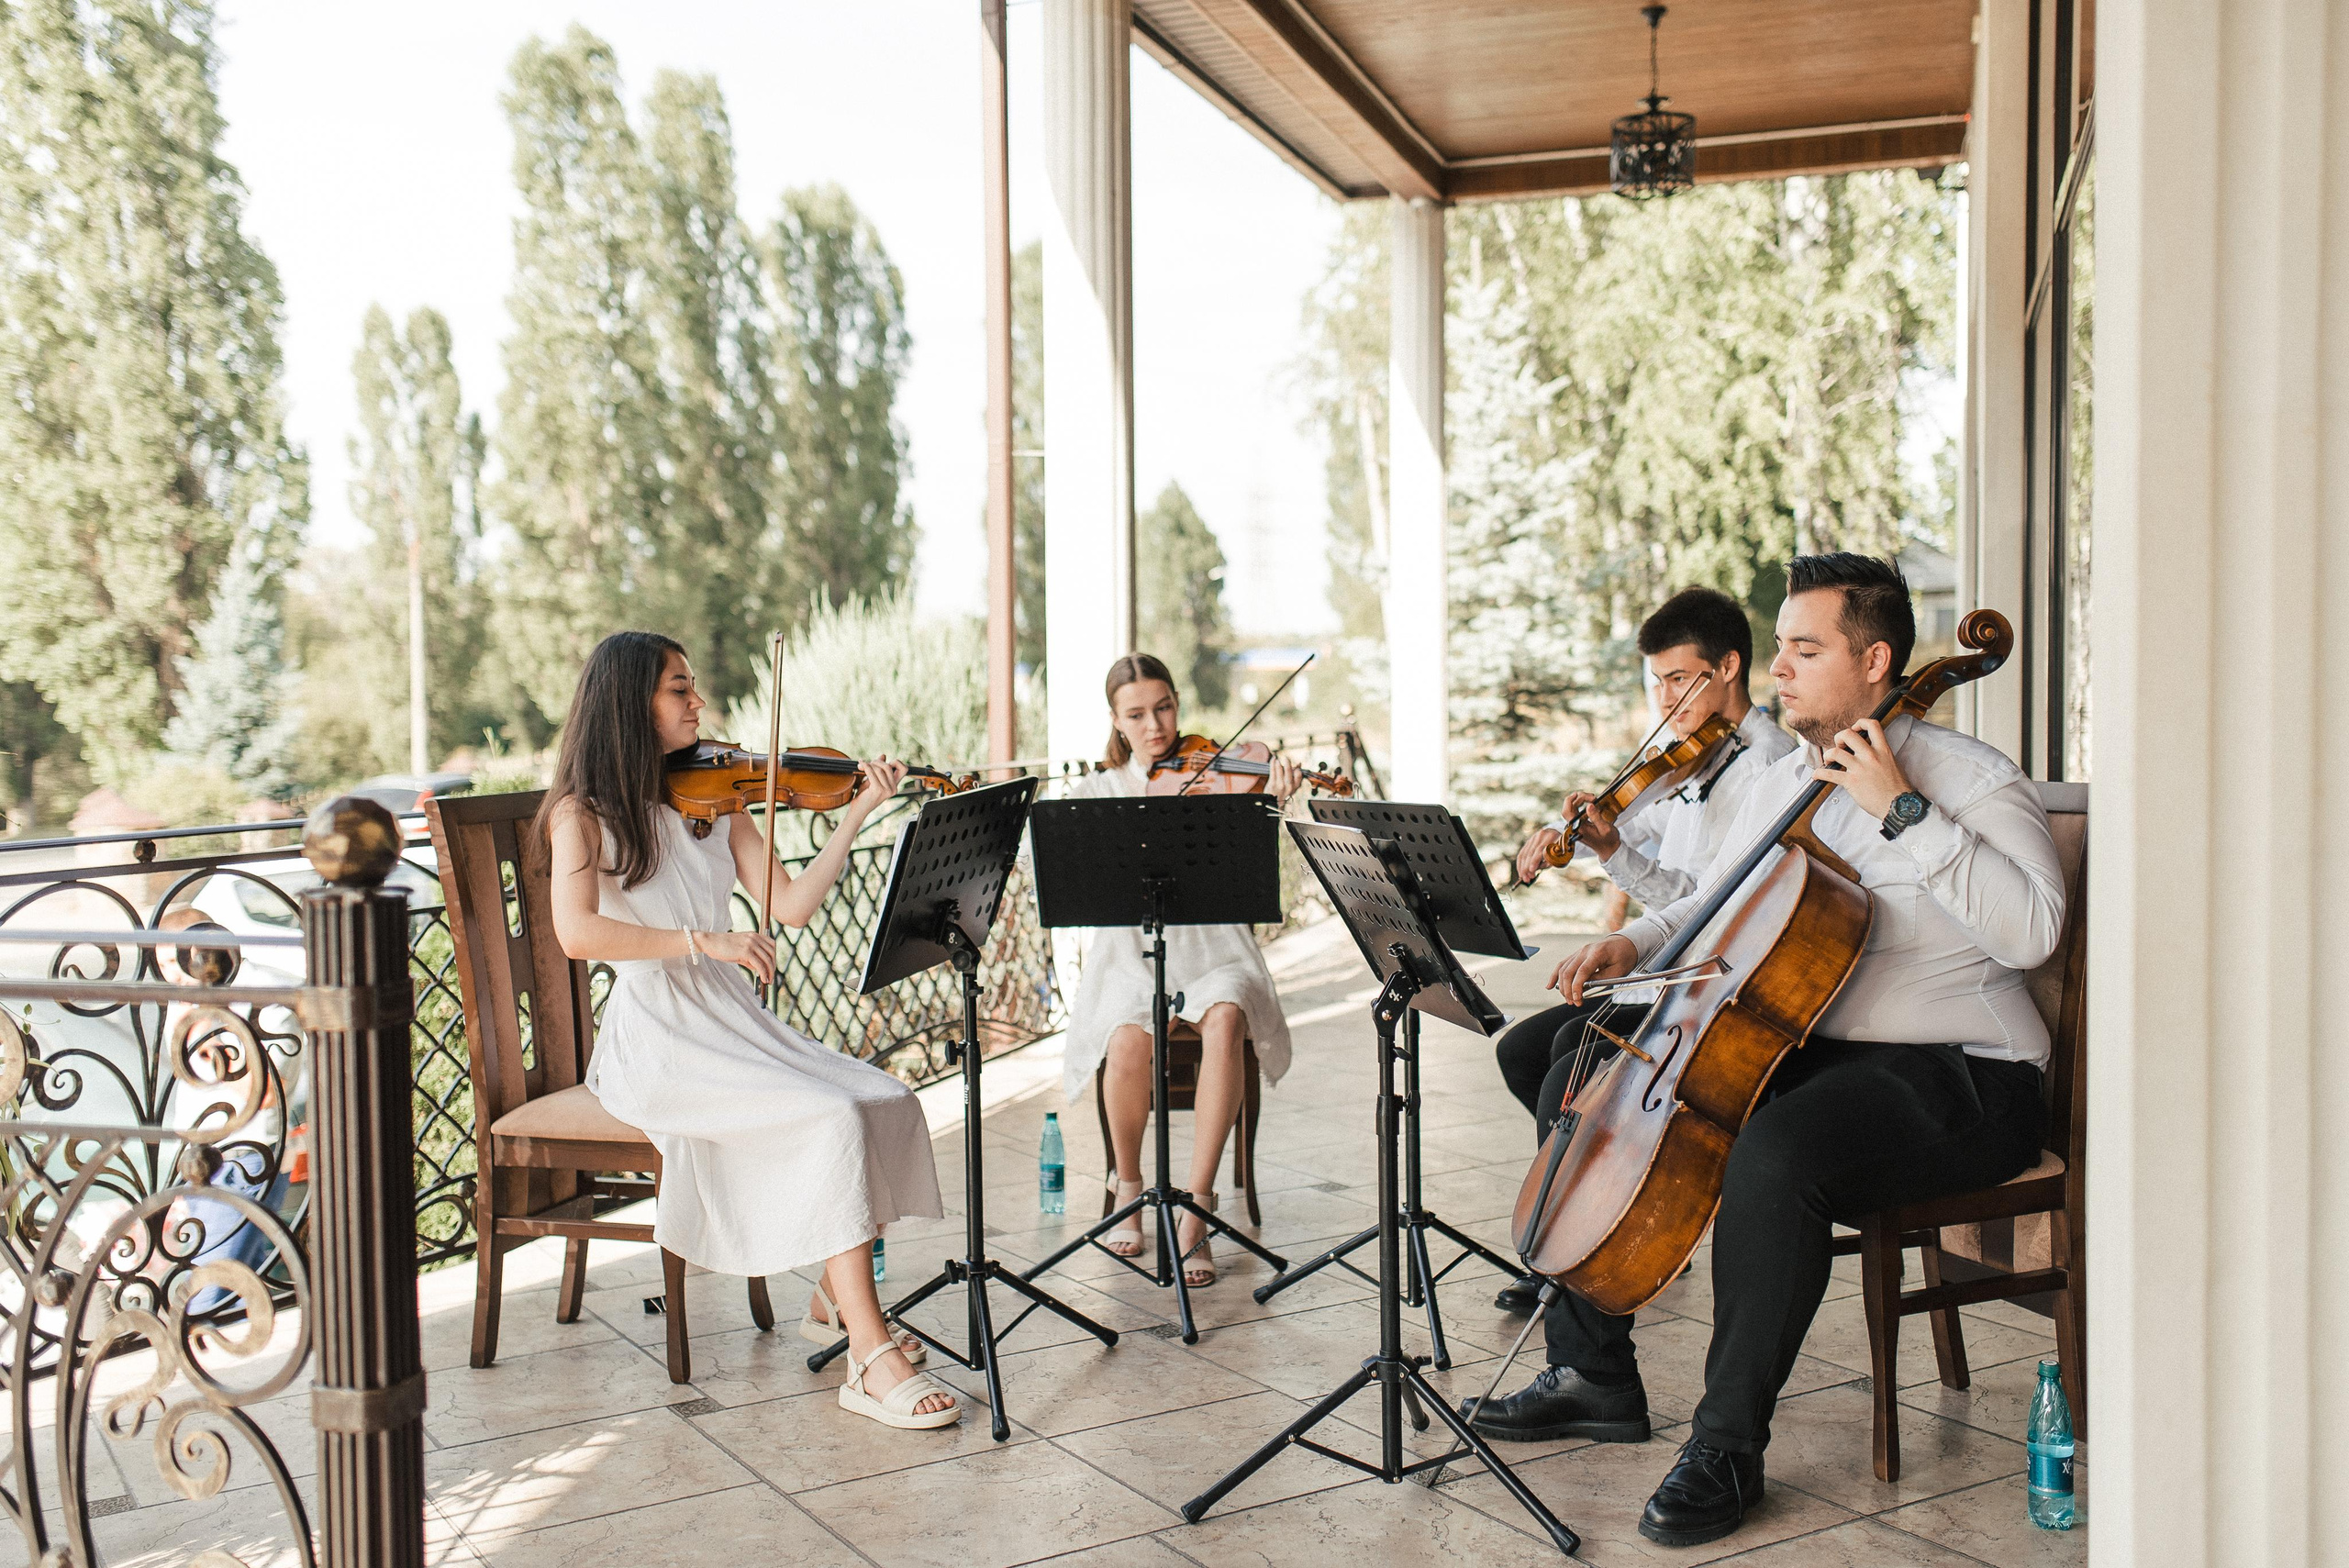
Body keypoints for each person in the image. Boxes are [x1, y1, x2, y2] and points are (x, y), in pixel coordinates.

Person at [1467, 554, 2065, 1548]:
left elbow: (2033, 930)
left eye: (1802, 647)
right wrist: (1637, 942)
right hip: (1820, 1040)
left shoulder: (1968, 777)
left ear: (1875, 660)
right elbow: (1712, 908)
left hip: (1965, 1070)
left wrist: (1900, 809)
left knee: (1775, 1152)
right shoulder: (1785, 778)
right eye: (1778, 646)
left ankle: (1725, 1444)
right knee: (1579, 1050)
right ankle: (1592, 1368)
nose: (1776, 669)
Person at [540, 630, 960, 1432]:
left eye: (693, 686)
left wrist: (861, 809)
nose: (698, 702)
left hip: (729, 1019)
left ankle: (833, 1297)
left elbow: (791, 905)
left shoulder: (715, 802)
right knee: (828, 1117)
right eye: (679, 689)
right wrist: (705, 941)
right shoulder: (581, 817)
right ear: (631, 703)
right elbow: (578, 933)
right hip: (657, 1036)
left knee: (882, 1096)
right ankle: (869, 1356)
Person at [1490, 587, 1796, 1312]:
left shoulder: (1766, 766)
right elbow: (1665, 877)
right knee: (1523, 1052)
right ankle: (1603, 1225)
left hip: (1707, 984)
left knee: (1570, 1057)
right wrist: (1606, 844)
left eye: (1680, 678)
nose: (1665, 697)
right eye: (1657, 680)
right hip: (1666, 968)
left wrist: (1626, 877)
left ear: (1728, 667)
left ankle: (1580, 1280)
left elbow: (1714, 904)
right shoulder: (1685, 762)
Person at [1061, 652, 1299, 1287]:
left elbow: (1250, 861)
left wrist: (1273, 796)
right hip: (1131, 953)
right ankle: (1131, 1185)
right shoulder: (1098, 792)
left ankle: (1197, 1205)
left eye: (1163, 706)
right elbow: (1068, 873)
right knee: (1126, 1034)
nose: (1155, 725)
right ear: (1115, 720)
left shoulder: (1217, 774)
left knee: (1226, 1016)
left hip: (1214, 943)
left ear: (1177, 703)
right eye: (1136, 713)